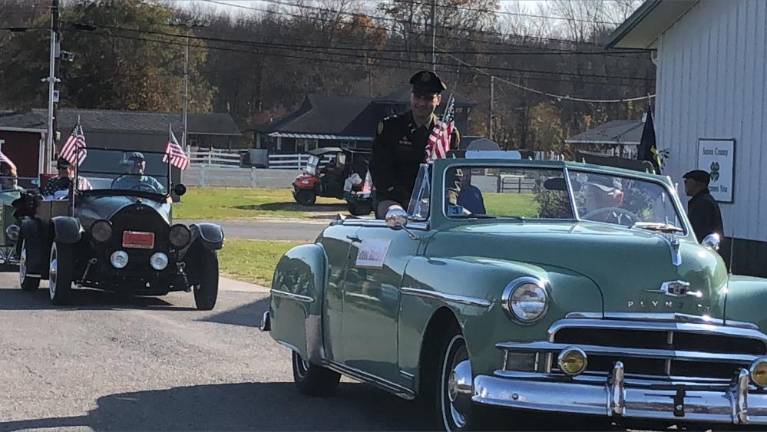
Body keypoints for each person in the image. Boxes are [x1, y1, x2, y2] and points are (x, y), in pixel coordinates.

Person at [370, 70, 460, 219]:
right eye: (417, 97)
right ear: (411, 97)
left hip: (434, 203)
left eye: (428, 98)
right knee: (397, 217)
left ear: (438, 100)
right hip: (393, 198)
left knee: (465, 219)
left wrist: (448, 199)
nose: (422, 103)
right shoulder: (390, 128)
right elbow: (380, 171)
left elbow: (454, 174)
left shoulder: (447, 134)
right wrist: (410, 201)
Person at [683, 169, 723, 240]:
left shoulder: (703, 203)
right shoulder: (701, 200)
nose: (685, 184)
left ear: (699, 184)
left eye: (687, 181)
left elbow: (697, 231)